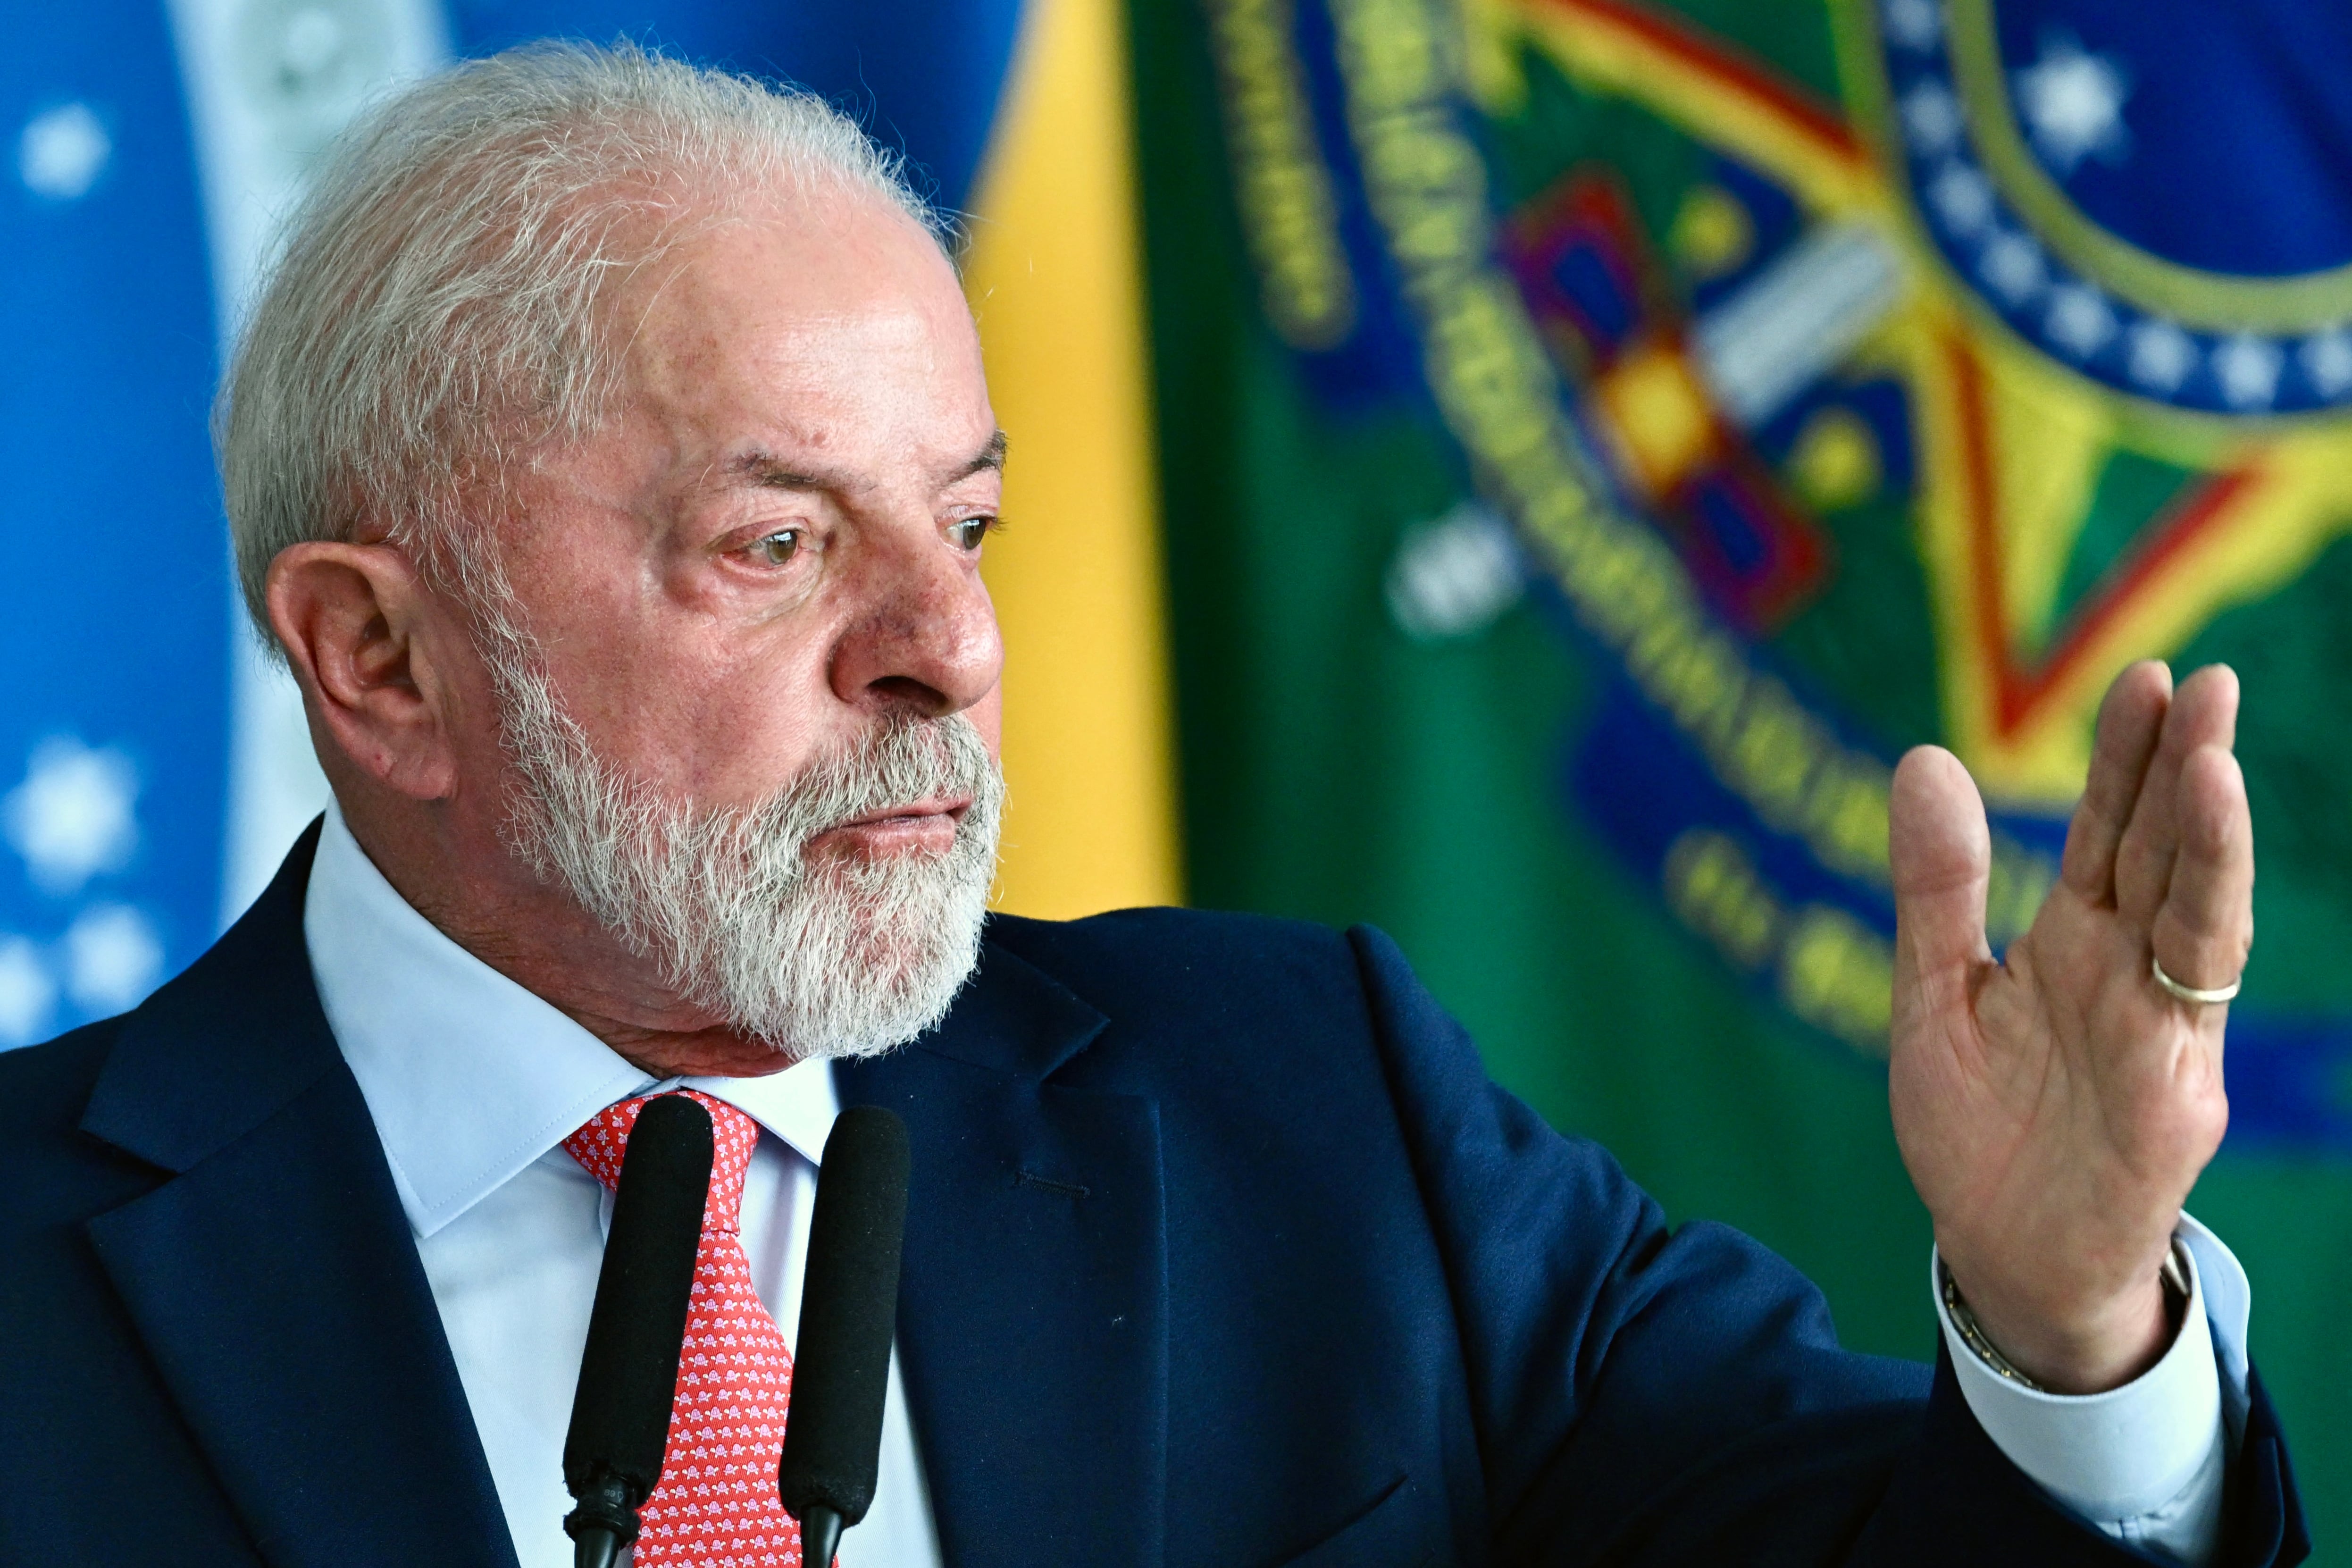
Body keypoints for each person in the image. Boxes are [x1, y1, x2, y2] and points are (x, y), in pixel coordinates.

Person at [0, 43, 2301, 1568]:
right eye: (778, 544)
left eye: (966, 528)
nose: (949, 647)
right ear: (377, 657)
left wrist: (2066, 1313)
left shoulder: (1306, 1110)